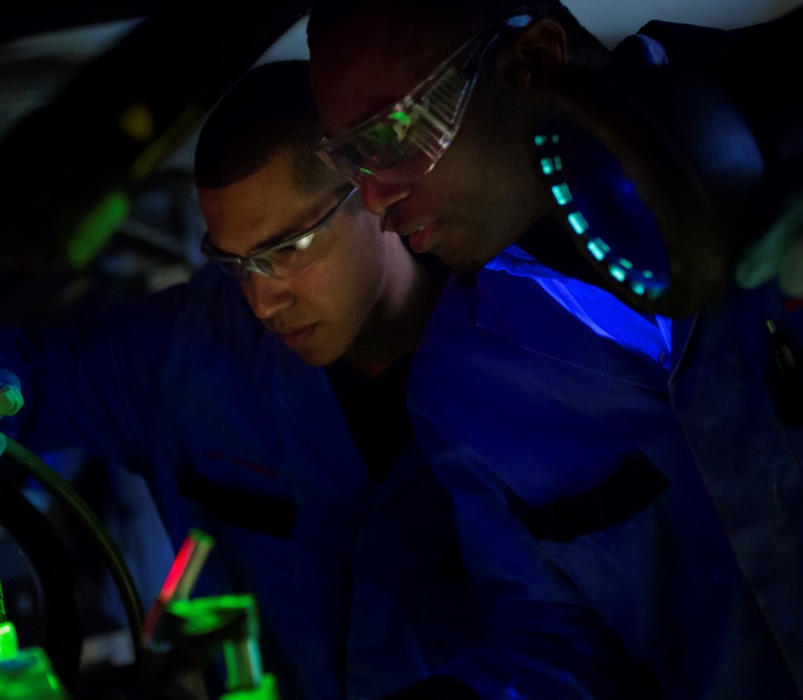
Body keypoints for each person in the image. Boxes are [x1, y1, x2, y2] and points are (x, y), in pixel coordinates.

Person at [0, 59, 476, 699]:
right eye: (236, 264)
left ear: (373, 193)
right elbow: (22, 366)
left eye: (286, 249)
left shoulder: (526, 352)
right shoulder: (188, 354)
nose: (262, 302)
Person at [307, 1, 803, 698]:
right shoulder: (462, 386)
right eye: (352, 164)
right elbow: (560, 634)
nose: (378, 204)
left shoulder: (780, 109)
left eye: (392, 135)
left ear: (534, 61)